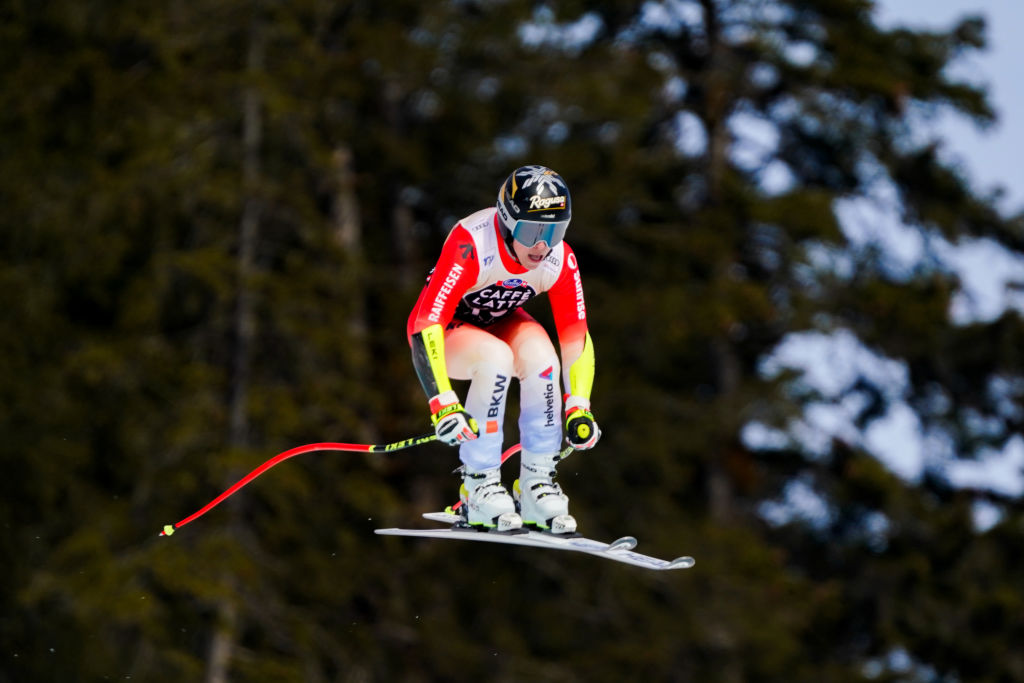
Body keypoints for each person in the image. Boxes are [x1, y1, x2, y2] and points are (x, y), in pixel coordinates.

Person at [407, 165, 600, 535]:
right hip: (446, 330)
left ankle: (536, 485)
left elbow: (576, 337)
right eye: (531, 231)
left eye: (555, 231)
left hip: (498, 321)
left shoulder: (560, 260)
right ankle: (478, 486)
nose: (542, 246)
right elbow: (424, 323)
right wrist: (442, 402)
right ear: (508, 222)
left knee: (543, 358)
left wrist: (579, 406)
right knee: (495, 359)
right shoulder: (473, 243)